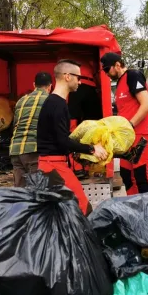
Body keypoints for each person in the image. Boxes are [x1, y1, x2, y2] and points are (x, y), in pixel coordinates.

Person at [36, 59, 108, 214]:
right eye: (78, 77)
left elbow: (60, 137)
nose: (80, 82)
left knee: (63, 211)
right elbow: (62, 141)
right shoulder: (57, 104)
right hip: (53, 165)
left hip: (51, 164)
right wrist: (91, 149)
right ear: (67, 76)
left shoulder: (54, 102)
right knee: (81, 206)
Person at [100, 52, 148, 195]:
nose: (106, 73)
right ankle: (133, 206)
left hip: (140, 133)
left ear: (117, 65)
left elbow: (146, 104)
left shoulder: (133, 75)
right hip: (127, 137)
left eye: (107, 69)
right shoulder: (119, 83)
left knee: (140, 175)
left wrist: (129, 125)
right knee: (126, 174)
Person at [9, 72, 52, 187]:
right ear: (50, 86)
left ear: (34, 85)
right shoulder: (50, 100)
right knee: (37, 191)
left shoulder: (21, 101)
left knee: (20, 193)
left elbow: (15, 125)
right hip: (33, 150)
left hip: (16, 150)